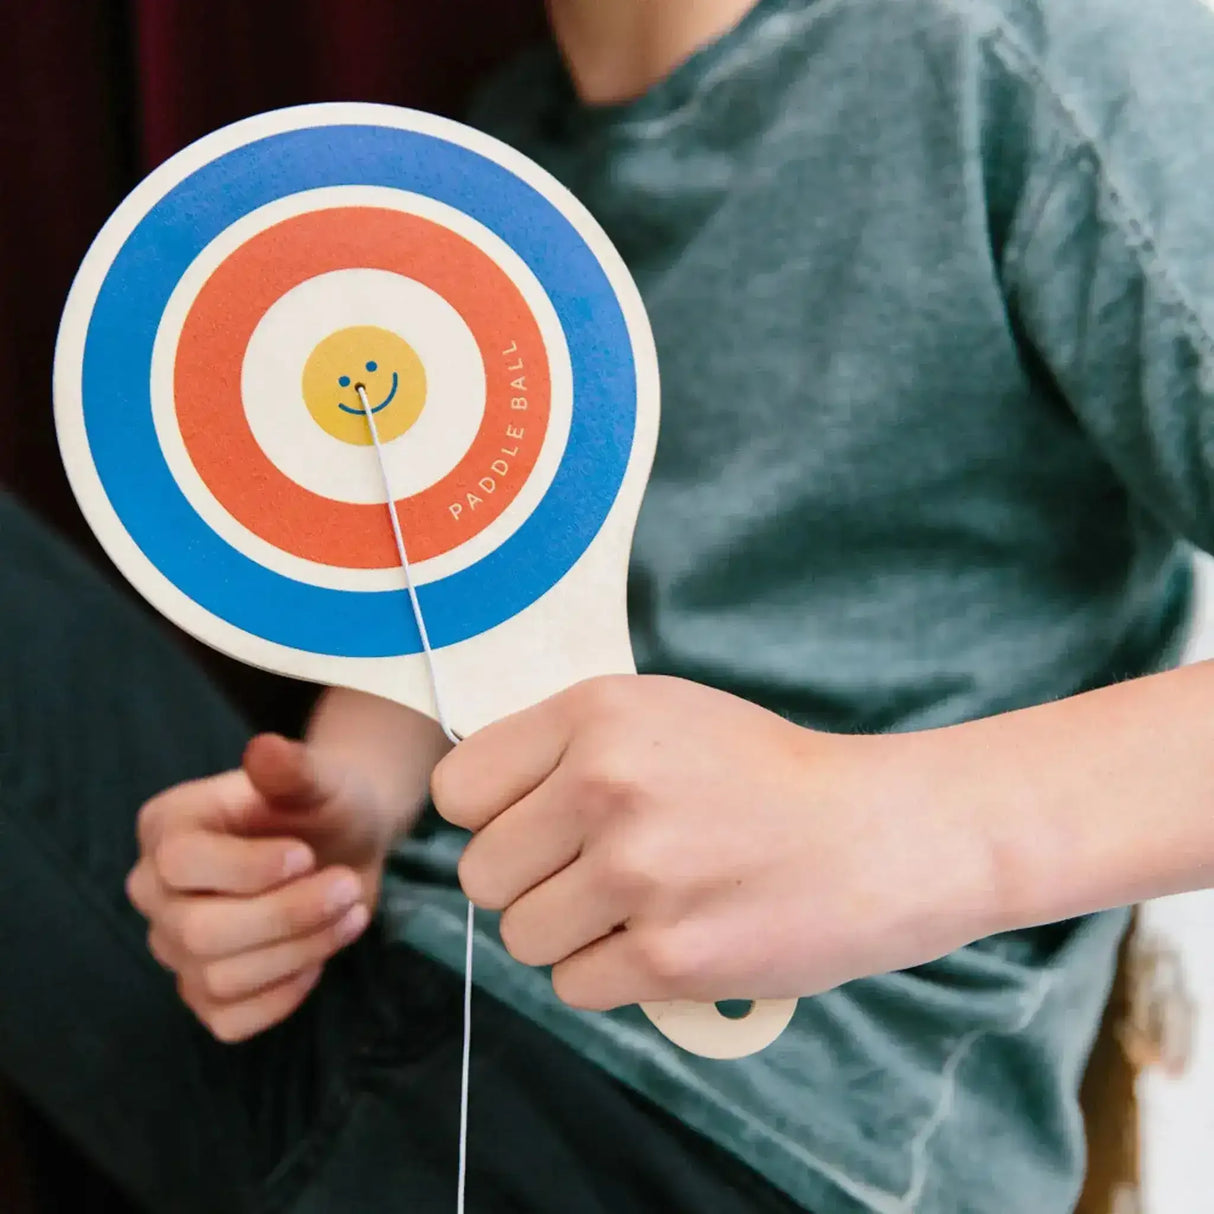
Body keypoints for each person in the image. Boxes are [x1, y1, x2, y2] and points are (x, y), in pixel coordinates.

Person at [3, 0, 1214, 1210]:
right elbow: (439, 613)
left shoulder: (1031, 53)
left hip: (749, 1144)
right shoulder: (482, 169)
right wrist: (333, 829)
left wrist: (894, 823)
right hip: (373, 1015)